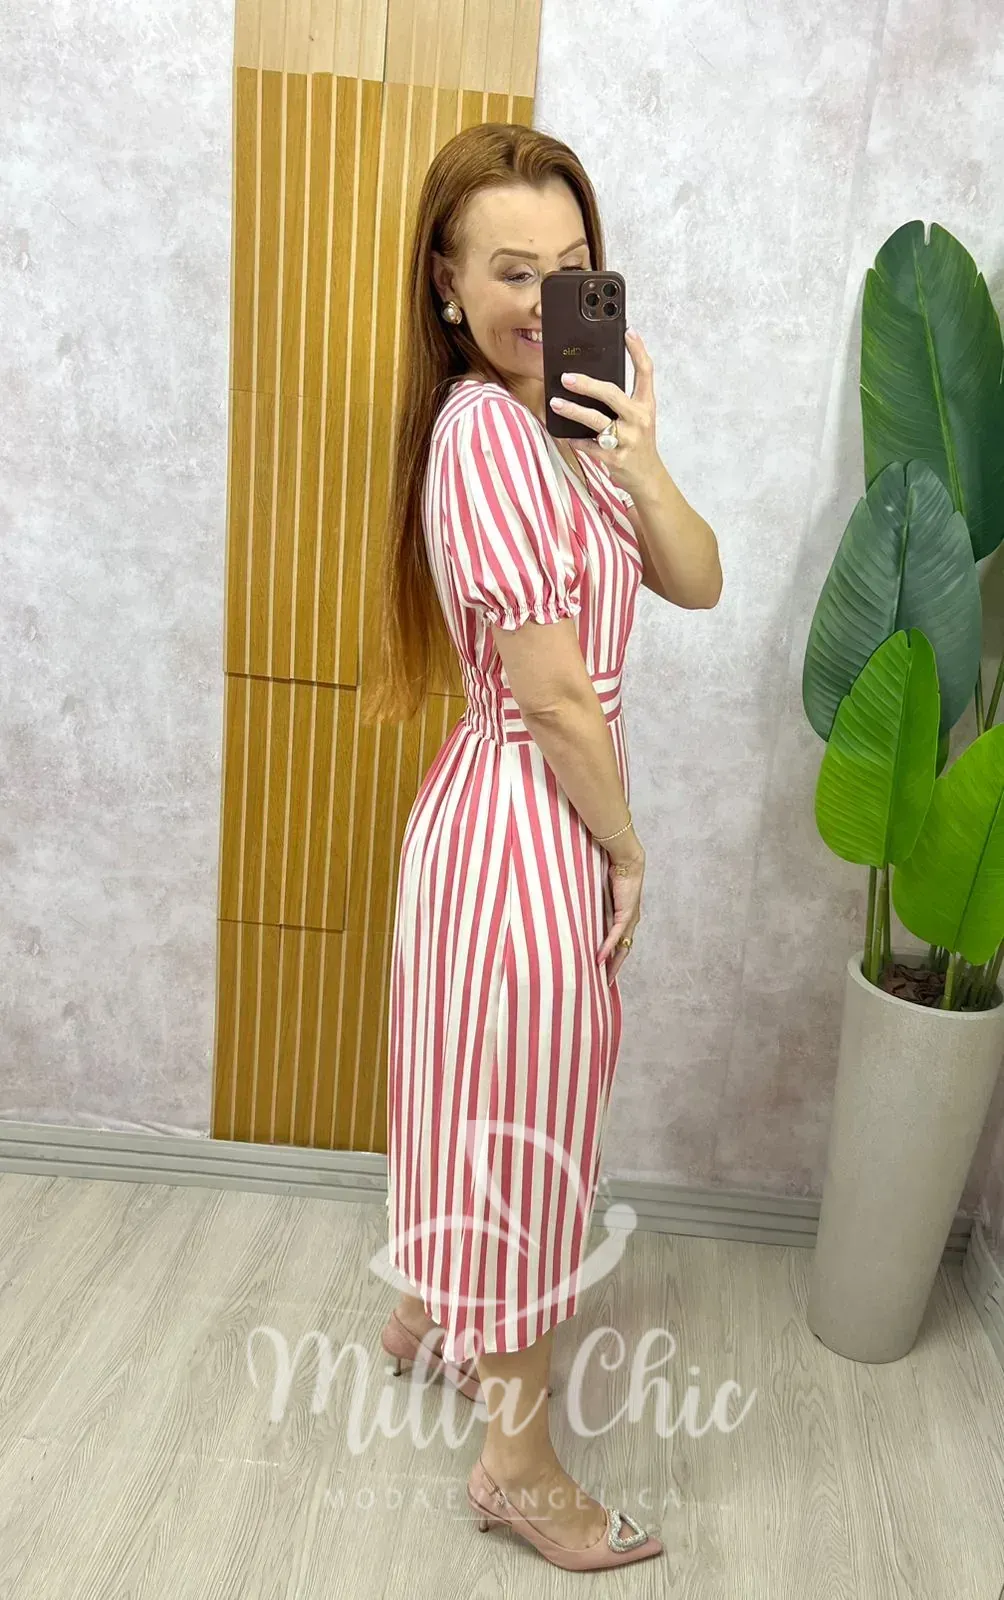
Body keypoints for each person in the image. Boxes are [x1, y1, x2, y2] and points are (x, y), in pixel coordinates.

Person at [366, 122, 719, 1571]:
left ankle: (430, 1312)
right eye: (510, 271)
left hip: (507, 818)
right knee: (530, 1136)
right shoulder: (482, 435)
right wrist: (626, 851)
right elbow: (560, 695)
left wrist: (639, 455)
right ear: (446, 284)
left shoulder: (565, 433)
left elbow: (699, 578)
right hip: (531, 817)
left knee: (476, 1093)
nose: (543, 298)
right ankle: (516, 1465)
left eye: (570, 269)